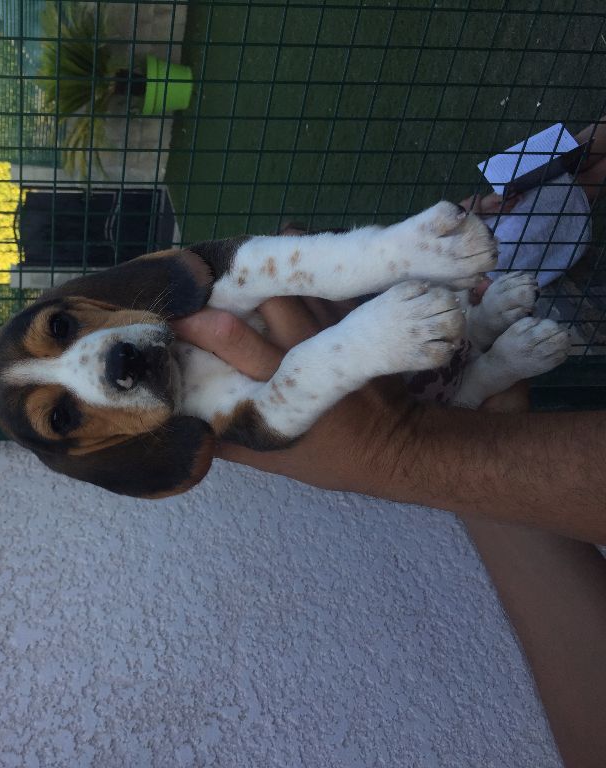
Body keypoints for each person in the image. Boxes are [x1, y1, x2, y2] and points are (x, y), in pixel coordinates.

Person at [170, 118, 606, 767]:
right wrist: (406, 443)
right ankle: (578, 160)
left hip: (452, 348)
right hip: (455, 368)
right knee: (505, 239)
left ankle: (577, 155)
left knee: (501, 220)